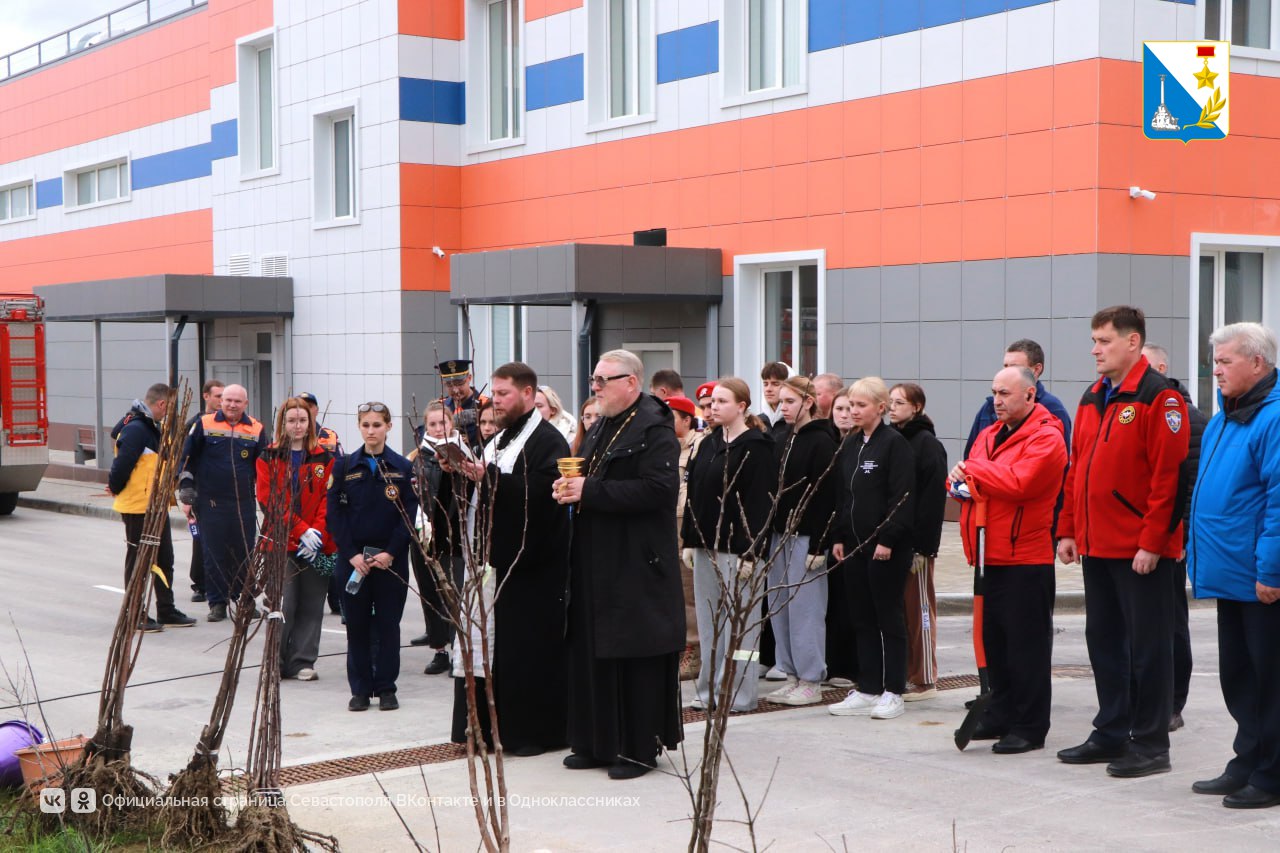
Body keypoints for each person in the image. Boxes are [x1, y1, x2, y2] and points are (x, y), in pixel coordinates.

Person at [1055, 306, 1188, 778]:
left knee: (1149, 647)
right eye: (1093, 341)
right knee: (1105, 642)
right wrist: (1068, 528)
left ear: (1132, 343)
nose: (1095, 350)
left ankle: (1151, 744)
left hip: (1140, 551)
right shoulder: (1093, 396)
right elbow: (1077, 467)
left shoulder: (1160, 398)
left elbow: (1168, 480)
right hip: (1096, 544)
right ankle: (1112, 730)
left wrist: (1153, 543)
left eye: (1104, 341)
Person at [555, 349, 685, 780]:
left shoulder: (654, 426)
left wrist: (588, 491)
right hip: (596, 557)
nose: (595, 388)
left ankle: (637, 748)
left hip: (636, 561)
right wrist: (569, 488)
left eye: (602, 381)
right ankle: (597, 741)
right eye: (593, 380)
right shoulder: (603, 424)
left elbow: (659, 490)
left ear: (631, 382)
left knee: (634, 655)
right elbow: (592, 477)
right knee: (594, 649)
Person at [447, 362, 571, 756]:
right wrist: (465, 472)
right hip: (492, 563)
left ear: (528, 394)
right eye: (493, 394)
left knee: (523, 653)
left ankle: (528, 733)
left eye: (503, 394)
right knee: (489, 649)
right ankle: (483, 728)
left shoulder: (547, 441)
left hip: (530, 568)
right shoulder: (499, 439)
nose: (495, 401)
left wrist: (490, 479)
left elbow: (542, 493)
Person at [949, 366, 1068, 754]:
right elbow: (960, 481)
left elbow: (1020, 482)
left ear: (1030, 395)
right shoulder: (988, 434)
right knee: (993, 641)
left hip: (1024, 556)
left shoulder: (1048, 438)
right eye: (994, 392)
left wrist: (975, 473)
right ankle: (999, 712)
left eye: (1005, 393)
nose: (996, 400)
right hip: (987, 552)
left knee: (1026, 646)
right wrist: (963, 479)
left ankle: (1030, 725)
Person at [1187, 322, 1280, 810]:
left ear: (1257, 364)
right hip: (1229, 573)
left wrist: (1272, 570)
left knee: (1270, 680)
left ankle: (1272, 773)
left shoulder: (1274, 416)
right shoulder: (1227, 416)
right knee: (1239, 676)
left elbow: (1278, 502)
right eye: (1214, 361)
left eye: (1225, 361)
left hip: (1260, 579)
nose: (1215, 370)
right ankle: (1247, 759)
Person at [683, 378, 776, 713]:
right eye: (710, 404)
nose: (713, 408)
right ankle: (709, 690)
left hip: (739, 552)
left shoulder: (758, 447)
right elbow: (695, 494)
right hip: (707, 547)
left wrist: (752, 551)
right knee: (710, 624)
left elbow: (761, 503)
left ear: (741, 406)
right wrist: (689, 539)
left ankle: (738, 694)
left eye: (721, 402)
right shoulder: (708, 444)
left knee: (741, 629)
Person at [828, 378, 916, 721]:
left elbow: (902, 497)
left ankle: (894, 690)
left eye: (860, 406)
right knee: (861, 617)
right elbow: (843, 496)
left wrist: (888, 539)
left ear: (881, 407)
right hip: (853, 545)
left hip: (885, 549)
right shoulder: (850, 445)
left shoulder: (895, 445)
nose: (853, 412)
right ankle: (868, 687)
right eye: (850, 406)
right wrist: (838, 536)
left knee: (888, 618)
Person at [325, 402, 419, 711]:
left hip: (389, 561)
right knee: (358, 626)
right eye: (366, 424)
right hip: (354, 561)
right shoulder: (345, 466)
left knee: (389, 626)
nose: (371, 430)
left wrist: (391, 553)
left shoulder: (403, 469)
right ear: (359, 427)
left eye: (377, 424)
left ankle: (387, 687)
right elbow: (334, 515)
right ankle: (361, 689)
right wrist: (350, 555)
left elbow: (408, 516)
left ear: (389, 427)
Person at [763, 377, 838, 707]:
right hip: (779, 534)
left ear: (808, 402)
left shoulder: (821, 441)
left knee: (806, 608)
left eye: (790, 402)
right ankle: (791, 672)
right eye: (780, 402)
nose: (783, 408)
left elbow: (826, 496)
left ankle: (811, 678)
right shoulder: (780, 436)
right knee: (780, 608)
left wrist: (820, 544)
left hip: (806, 536)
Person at [1143, 342, 1206, 733]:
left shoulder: (1188, 419)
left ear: (1162, 367)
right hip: (1139, 540)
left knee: (1170, 624)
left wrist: (1175, 535)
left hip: (1171, 541)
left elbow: (1188, 485)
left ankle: (1172, 703)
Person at [255, 397, 336, 681]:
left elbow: (330, 498)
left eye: (303, 420)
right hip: (281, 543)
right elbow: (270, 500)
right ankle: (274, 661)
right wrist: (301, 531)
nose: (298, 426)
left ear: (310, 423)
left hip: (320, 544)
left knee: (312, 604)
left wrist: (317, 533)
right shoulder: (269, 456)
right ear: (282, 424)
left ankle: (302, 661)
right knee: (283, 604)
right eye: (292, 420)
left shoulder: (325, 457)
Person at [109, 382, 196, 632]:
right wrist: (115, 486)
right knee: (139, 560)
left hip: (155, 504)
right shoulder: (138, 428)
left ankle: (166, 609)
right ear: (161, 404)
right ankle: (134, 612)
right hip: (139, 505)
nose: (169, 412)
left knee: (164, 558)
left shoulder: (150, 427)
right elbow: (123, 463)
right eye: (168, 407)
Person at [178, 383, 268, 622]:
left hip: (244, 503)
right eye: (227, 400)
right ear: (221, 401)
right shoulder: (204, 425)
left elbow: (265, 468)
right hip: (211, 502)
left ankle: (244, 600)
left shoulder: (256, 429)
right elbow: (187, 459)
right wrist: (186, 487)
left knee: (244, 554)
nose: (231, 405)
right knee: (213, 553)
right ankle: (217, 603)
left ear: (245, 404)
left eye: (237, 401)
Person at [888, 383, 948, 702]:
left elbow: (932, 500)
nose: (892, 407)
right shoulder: (892, 440)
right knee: (899, 611)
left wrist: (925, 548)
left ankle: (925, 677)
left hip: (917, 545)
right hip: (894, 541)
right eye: (890, 402)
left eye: (900, 402)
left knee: (919, 608)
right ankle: (906, 671)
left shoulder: (927, 444)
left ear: (917, 407)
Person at [406, 403, 465, 673]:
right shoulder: (417, 457)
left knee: (454, 593)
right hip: (424, 533)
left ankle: (458, 650)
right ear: (425, 428)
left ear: (451, 424)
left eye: (443, 423)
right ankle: (439, 649)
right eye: (432, 425)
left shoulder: (463, 454)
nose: (438, 429)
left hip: (454, 535)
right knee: (430, 592)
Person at [963, 339, 1072, 460]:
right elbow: (969, 458)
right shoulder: (989, 407)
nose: (1007, 372)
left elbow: (1059, 462)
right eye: (1005, 366)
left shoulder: (1052, 409)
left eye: (1014, 367)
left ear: (1036, 370)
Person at [668, 394, 703, 680]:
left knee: (689, 592)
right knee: (672, 592)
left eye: (671, 418)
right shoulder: (663, 447)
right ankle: (679, 645)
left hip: (685, 527)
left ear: (687, 419)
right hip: (663, 526)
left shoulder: (698, 446)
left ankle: (693, 650)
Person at [824, 388, 858, 688]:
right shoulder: (828, 443)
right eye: (839, 409)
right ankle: (833, 661)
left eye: (849, 409)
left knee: (850, 602)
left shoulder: (860, 446)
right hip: (830, 533)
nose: (844, 415)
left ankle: (850, 665)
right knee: (833, 602)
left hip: (853, 533)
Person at [186, 378, 224, 603]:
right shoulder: (196, 424)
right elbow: (185, 460)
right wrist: (186, 494)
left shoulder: (227, 424)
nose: (221, 401)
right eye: (218, 396)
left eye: (224, 396)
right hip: (201, 491)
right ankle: (200, 584)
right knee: (200, 539)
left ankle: (225, 584)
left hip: (223, 493)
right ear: (206, 397)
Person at [438, 359, 489, 448]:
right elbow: (424, 433)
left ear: (469, 378)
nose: (455, 389)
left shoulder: (485, 404)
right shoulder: (440, 406)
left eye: (459, 383)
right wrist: (452, 422)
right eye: (449, 385)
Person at [759, 361, 792, 442]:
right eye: (765, 384)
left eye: (775, 384)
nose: (768, 389)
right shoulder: (757, 422)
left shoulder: (795, 422)